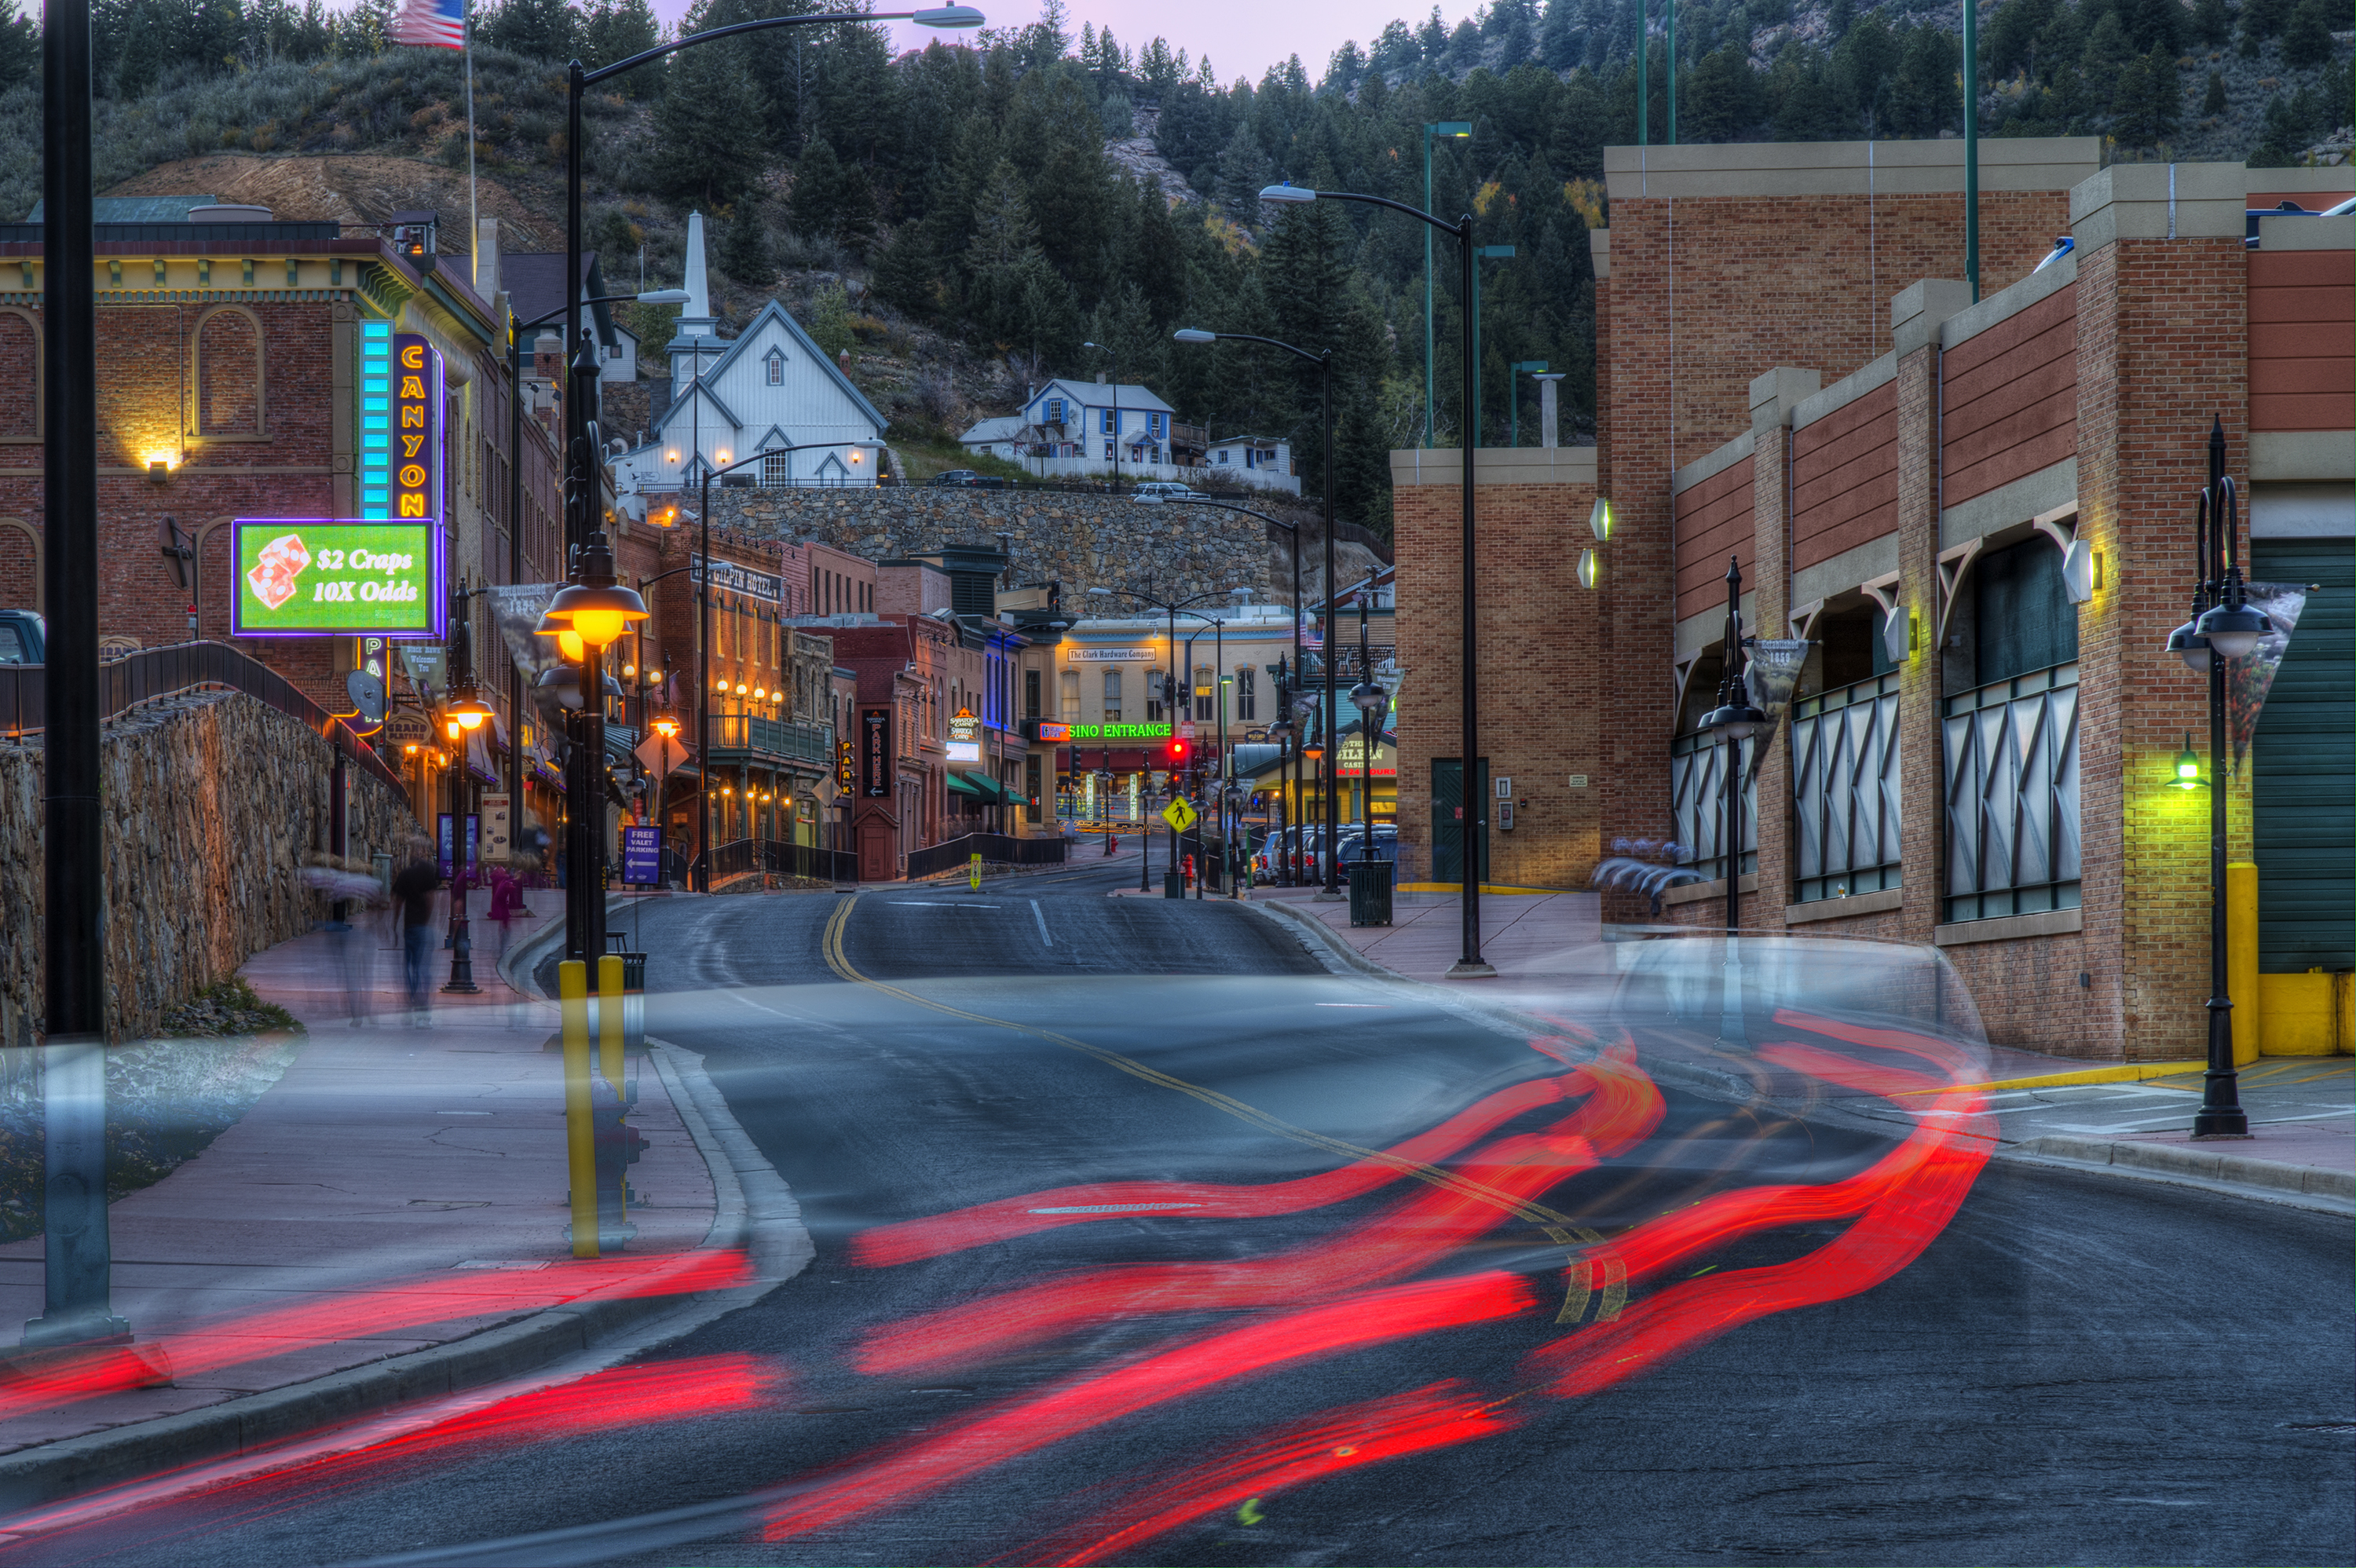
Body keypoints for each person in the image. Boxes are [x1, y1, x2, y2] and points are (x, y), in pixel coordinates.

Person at [390, 839, 442, 1027]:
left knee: (410, 968)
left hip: (410, 927)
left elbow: (397, 902)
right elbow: (431, 899)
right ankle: (423, 1009)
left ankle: (412, 1003)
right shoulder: (428, 872)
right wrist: (429, 921)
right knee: (423, 969)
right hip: (422, 927)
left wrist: (394, 926)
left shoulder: (405, 874)